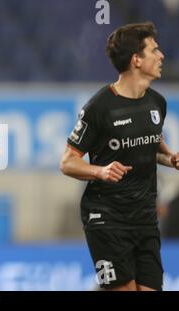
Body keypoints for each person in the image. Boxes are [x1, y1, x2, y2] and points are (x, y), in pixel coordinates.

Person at [60, 22, 179, 291]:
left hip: (145, 217)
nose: (161, 56)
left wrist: (170, 158)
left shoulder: (157, 103)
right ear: (136, 59)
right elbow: (67, 162)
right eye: (154, 50)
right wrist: (100, 171)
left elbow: (152, 147)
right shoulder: (99, 107)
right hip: (107, 216)